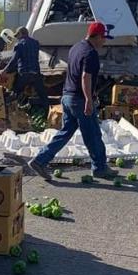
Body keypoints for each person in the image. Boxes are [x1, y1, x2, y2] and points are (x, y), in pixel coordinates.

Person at [27, 22, 119, 180]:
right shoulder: (90, 53)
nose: (104, 41)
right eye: (103, 38)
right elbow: (85, 77)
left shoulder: (76, 47)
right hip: (79, 100)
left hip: (67, 97)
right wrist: (89, 100)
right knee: (93, 135)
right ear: (96, 36)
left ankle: (39, 160)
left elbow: (73, 73)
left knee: (65, 132)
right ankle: (100, 168)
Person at [2, 27, 48, 106]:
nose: (17, 38)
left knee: (16, 92)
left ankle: (5, 107)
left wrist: (5, 70)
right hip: (35, 73)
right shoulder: (36, 43)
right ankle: (48, 111)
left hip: (24, 73)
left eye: (17, 35)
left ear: (21, 34)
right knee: (42, 95)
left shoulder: (19, 45)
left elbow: (14, 60)